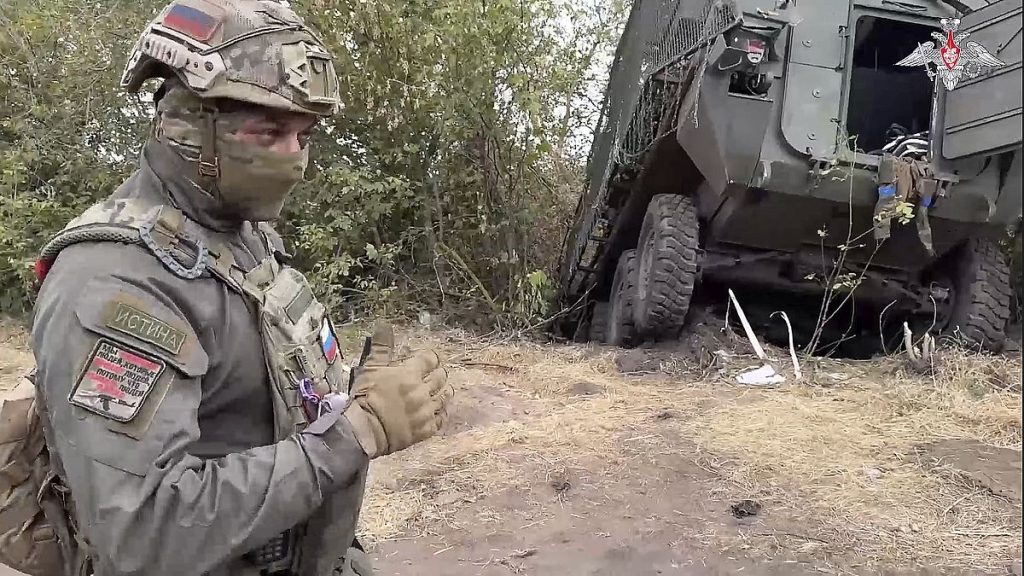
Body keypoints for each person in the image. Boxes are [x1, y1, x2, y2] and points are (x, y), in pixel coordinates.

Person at [27, 1, 453, 574]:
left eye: (304, 135)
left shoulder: (239, 238)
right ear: (187, 127)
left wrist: (350, 399)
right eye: (268, 131)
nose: (295, 159)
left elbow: (251, 415)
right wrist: (357, 432)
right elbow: (142, 530)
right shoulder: (117, 281)